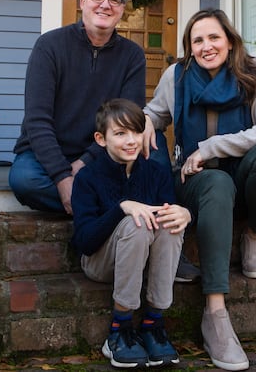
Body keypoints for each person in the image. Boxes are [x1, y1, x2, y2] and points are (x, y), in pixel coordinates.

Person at [7, 0, 200, 282]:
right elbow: (37, 122)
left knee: (152, 148)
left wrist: (85, 163)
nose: (105, 4)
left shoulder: (132, 56)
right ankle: (119, 210)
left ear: (123, 9)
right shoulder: (50, 46)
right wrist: (62, 177)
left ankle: (164, 242)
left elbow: (130, 119)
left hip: (106, 153)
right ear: (83, 1)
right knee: (25, 180)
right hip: (48, 154)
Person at [142, 8, 256, 371]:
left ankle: (253, 235)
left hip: (242, 177)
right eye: (198, 40)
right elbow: (154, 113)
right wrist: (145, 122)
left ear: (229, 40)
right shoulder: (176, 77)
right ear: (189, 47)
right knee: (216, 182)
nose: (206, 46)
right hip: (199, 183)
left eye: (214, 37)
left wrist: (211, 146)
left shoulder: (254, 74)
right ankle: (215, 313)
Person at [71, 98, 191, 368]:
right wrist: (121, 208)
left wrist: (185, 214)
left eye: (136, 132)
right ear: (101, 139)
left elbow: (168, 216)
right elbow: (85, 242)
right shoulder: (88, 178)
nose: (131, 140)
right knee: (136, 221)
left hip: (142, 262)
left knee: (169, 222)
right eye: (120, 133)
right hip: (101, 262)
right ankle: (120, 329)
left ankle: (152, 324)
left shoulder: (156, 172)